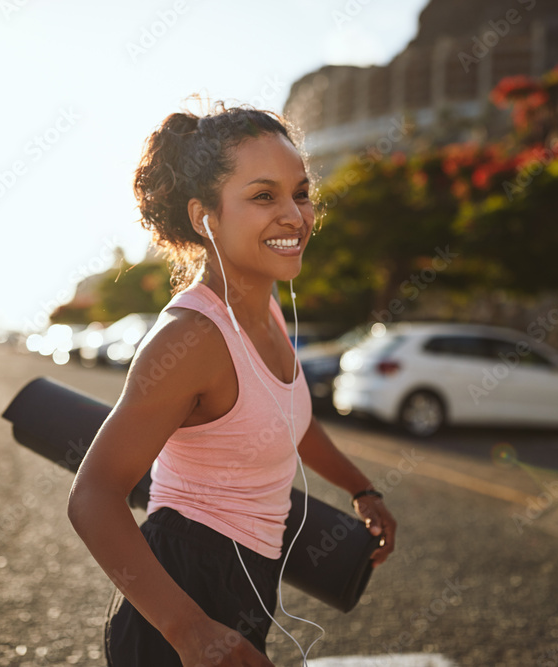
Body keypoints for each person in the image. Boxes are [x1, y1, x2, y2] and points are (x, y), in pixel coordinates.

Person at [67, 99, 397, 666]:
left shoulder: (267, 308)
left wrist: (362, 487)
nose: (295, 215)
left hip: (249, 585)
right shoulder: (190, 338)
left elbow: (289, 417)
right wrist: (191, 630)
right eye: (264, 196)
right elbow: (92, 496)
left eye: (301, 192)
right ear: (205, 217)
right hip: (185, 589)